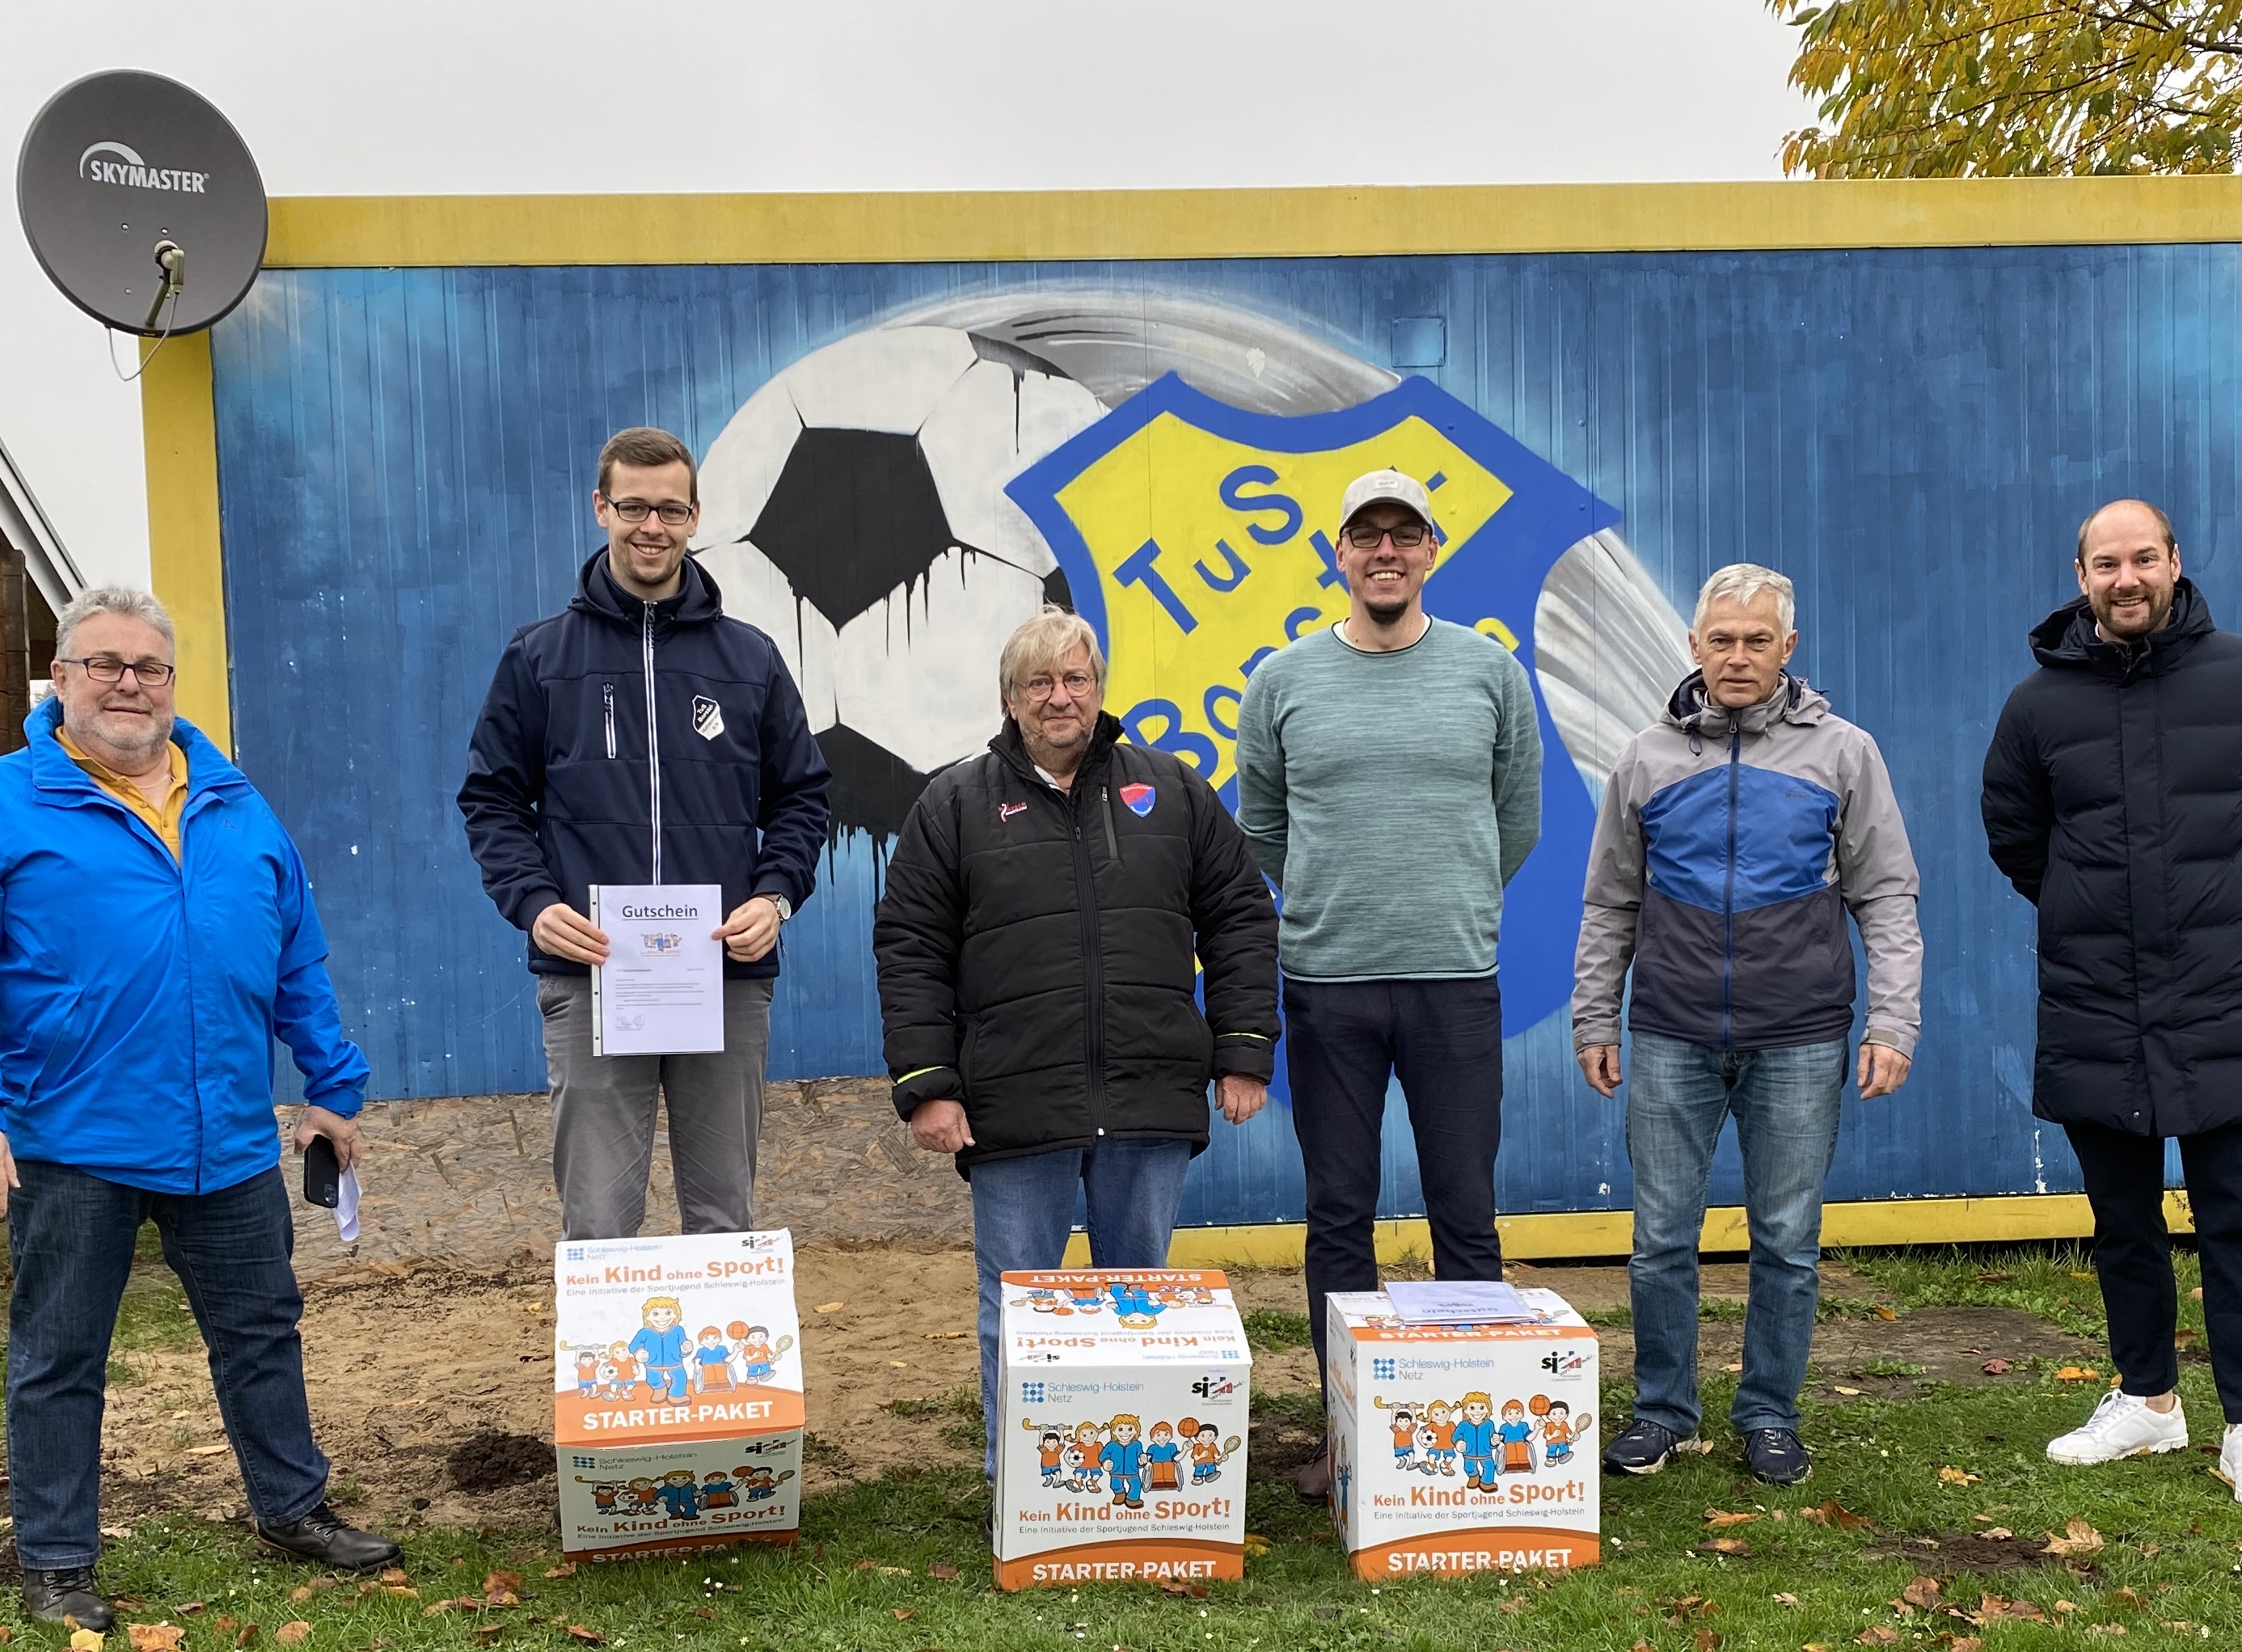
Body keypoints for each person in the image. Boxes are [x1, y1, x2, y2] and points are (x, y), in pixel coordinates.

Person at [0, 586, 399, 1633]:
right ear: (62, 679)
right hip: (71, 1138)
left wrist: (330, 1086)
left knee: (263, 1334)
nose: (129, 683)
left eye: (149, 667)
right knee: (60, 1354)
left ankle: (292, 1508)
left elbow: (295, 955)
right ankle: (55, 1561)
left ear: (173, 682)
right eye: (105, 663)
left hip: (225, 1135)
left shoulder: (236, 804)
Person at [1982, 500, 2242, 1507]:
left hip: (2229, 1001)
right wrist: (2082, 901)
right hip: (2099, 1003)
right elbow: (2016, 837)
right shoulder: (2036, 707)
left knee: (2236, 1221)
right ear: (2080, 574)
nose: (2126, 577)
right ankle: (2145, 1399)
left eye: (2143, 557)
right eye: (2107, 563)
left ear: (2175, 563)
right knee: (2122, 1222)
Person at [875, 611, 1278, 1470]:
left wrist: (1241, 1047)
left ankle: (1126, 1479)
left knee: (1140, 1309)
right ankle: (1017, 1481)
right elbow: (910, 946)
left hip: (1147, 1098)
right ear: (1009, 698)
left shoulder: (1171, 789)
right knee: (1015, 1306)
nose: (1060, 697)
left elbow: (1240, 914)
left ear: (1098, 689)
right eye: (1039, 682)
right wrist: (927, 1082)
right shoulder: (952, 804)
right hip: (1014, 1104)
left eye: (1075, 679)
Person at [1571, 563, 1923, 1486]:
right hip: (1671, 1031)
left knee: (1785, 1240)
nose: (1736, 657)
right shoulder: (1644, 759)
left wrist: (1892, 1018)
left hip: (1799, 1034)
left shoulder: (1843, 753)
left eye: (1755, 640)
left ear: (1787, 649)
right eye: (1720, 639)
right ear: (1692, 646)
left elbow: (1885, 893)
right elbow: (1609, 900)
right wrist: (1592, 1013)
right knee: (1657, 1238)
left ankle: (1768, 1413)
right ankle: (1663, 1412)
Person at [1233, 470, 1543, 1500]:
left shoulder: (1488, 672)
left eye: (1401, 534)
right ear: (1338, 553)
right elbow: (1263, 826)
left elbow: (1517, 818)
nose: (1383, 551)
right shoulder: (1281, 680)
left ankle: (1469, 1427)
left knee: (1466, 1208)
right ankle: (1342, 1434)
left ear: (1430, 549)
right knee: (1337, 1212)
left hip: (1455, 979)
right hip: (1327, 983)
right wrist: (1339, 904)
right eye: (1363, 534)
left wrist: (1442, 898)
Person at [460, 427, 832, 1240]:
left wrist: (776, 897)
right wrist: (532, 903)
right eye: (632, 506)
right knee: (598, 1221)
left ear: (695, 515)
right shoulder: (539, 658)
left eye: (669, 508)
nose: (650, 526)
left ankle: (723, 1375)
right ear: (601, 508)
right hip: (592, 971)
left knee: (722, 1216)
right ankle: (612, 1370)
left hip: (723, 975)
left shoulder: (750, 660)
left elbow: (804, 795)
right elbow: (490, 798)